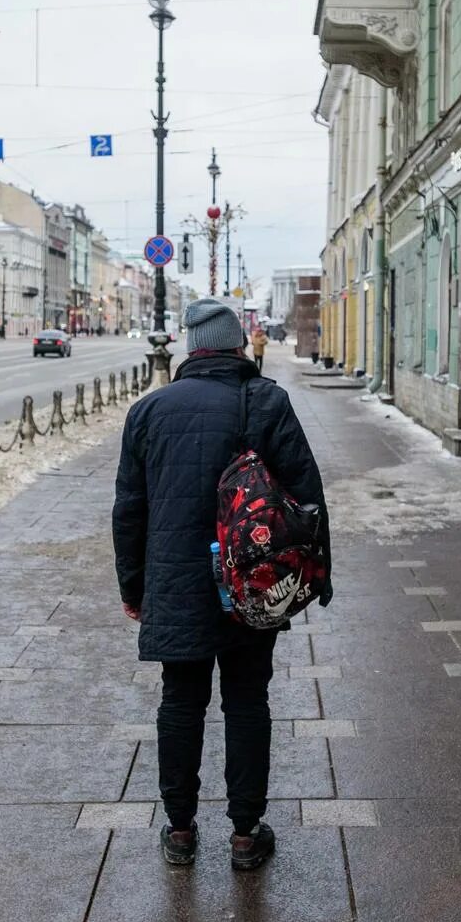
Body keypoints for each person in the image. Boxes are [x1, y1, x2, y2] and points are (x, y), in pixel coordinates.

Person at [113, 298, 329, 871]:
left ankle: (180, 831)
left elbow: (129, 510)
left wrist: (133, 588)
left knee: (180, 702)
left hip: (175, 584)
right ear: (238, 345)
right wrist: (312, 579)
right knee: (247, 700)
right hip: (251, 584)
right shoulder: (266, 401)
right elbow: (308, 499)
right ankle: (244, 832)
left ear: (191, 348)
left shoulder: (149, 411)